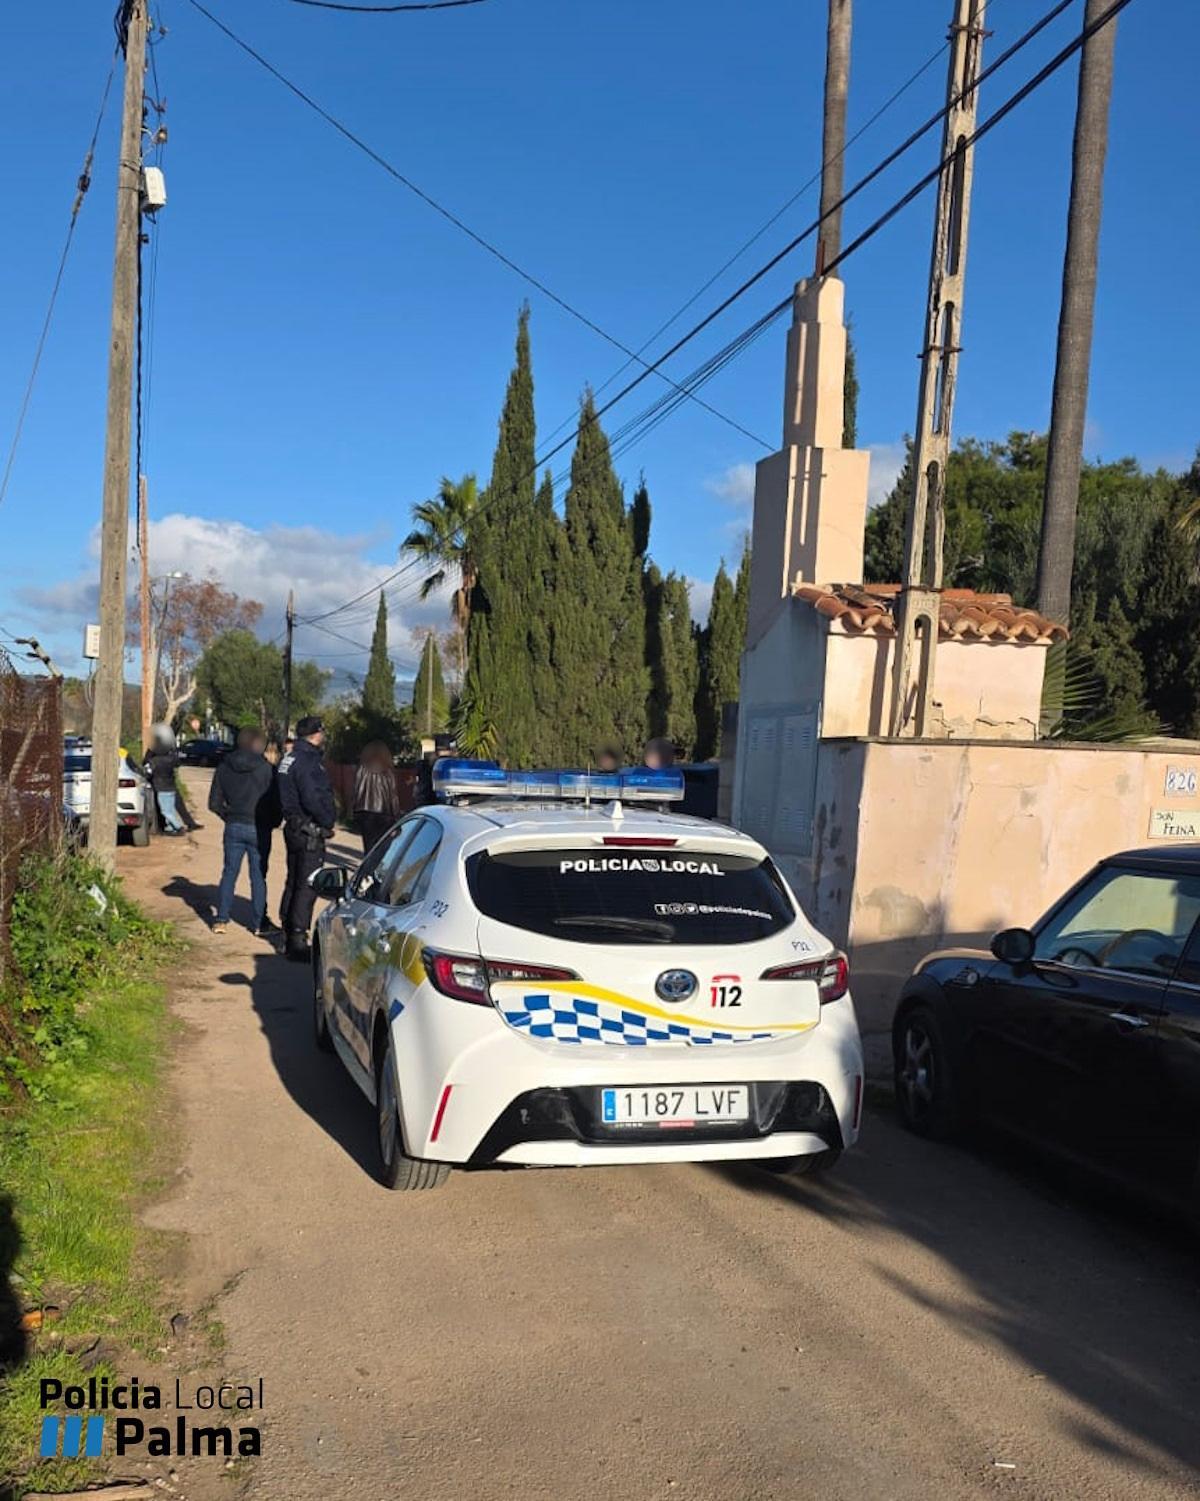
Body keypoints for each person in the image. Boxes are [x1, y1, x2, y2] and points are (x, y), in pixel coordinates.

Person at [277, 715, 335, 962]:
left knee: (293, 880)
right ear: (316, 734)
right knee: (308, 884)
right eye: (322, 733)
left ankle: (288, 930)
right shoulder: (308, 761)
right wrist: (327, 820)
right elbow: (312, 797)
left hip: (293, 826)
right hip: (308, 829)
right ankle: (298, 940)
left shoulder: (288, 758)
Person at [208, 728, 276, 936]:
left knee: (229, 873)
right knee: (258, 876)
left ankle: (221, 919)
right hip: (259, 827)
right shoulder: (266, 769)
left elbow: (214, 803)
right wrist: (272, 822)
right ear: (258, 744)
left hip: (234, 824)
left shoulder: (224, 767)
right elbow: (276, 802)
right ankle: (258, 923)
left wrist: (228, 816)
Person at [352, 740, 400, 853]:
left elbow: (356, 791)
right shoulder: (387, 772)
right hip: (384, 814)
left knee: (368, 846)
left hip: (365, 812)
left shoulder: (362, 769)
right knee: (382, 848)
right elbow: (393, 796)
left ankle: (368, 868)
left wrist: (354, 811)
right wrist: (396, 817)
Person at [144, 724, 185, 835]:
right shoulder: (171, 759)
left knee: (165, 811)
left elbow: (147, 772)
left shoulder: (154, 761)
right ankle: (170, 828)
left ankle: (179, 827)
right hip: (171, 786)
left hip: (161, 787)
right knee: (170, 809)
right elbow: (178, 762)